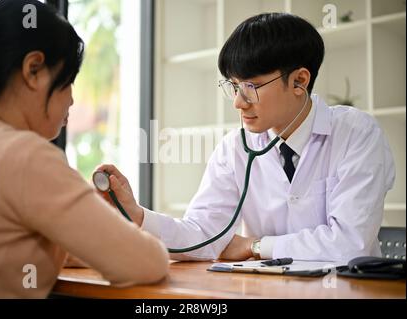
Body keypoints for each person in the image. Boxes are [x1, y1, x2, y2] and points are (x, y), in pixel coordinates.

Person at [97, 13, 395, 263]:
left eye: (251, 86)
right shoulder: (235, 148)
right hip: (265, 291)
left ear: (299, 81)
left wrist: (255, 246)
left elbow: (349, 244)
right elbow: (204, 235)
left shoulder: (356, 133)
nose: (238, 102)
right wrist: (137, 216)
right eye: (234, 85)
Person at [0, 0, 168, 298]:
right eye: (67, 82)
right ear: (34, 70)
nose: (71, 101)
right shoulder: (24, 156)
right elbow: (148, 262)